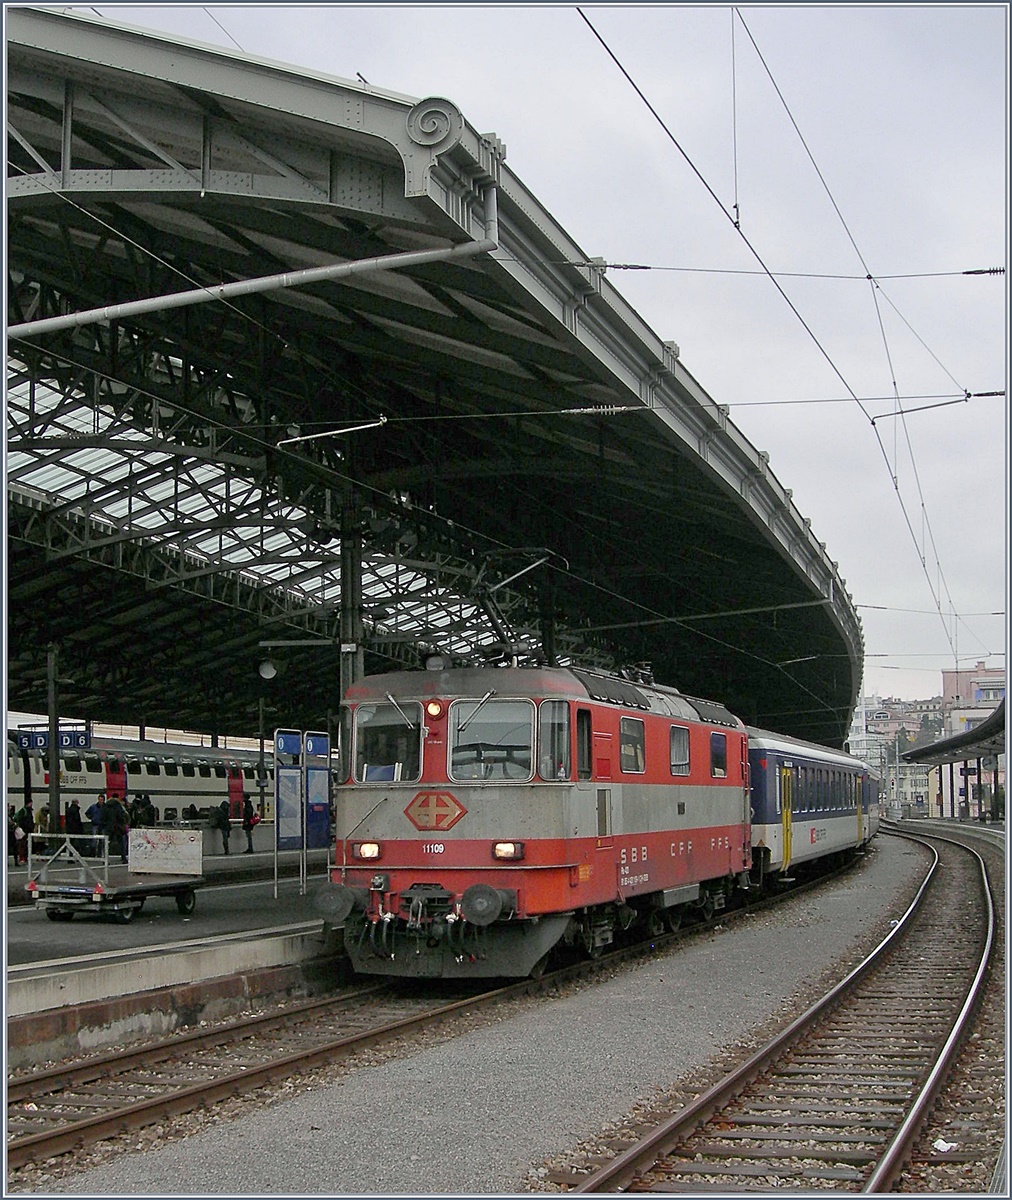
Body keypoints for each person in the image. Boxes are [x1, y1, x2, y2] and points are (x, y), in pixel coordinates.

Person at [101, 793, 128, 863]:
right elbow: (121, 815)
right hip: (118, 826)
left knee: (107, 843)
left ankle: (105, 859)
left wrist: (105, 823)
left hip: (108, 826)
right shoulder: (118, 805)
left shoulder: (106, 805)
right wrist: (122, 823)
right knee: (121, 843)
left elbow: (103, 816)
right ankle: (123, 858)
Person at [14, 798, 34, 865]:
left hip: (27, 830)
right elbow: (22, 820)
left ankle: (25, 857)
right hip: (24, 830)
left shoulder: (27, 811)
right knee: (22, 844)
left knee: (25, 844)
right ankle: (22, 857)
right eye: (31, 803)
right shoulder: (24, 811)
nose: (31, 804)